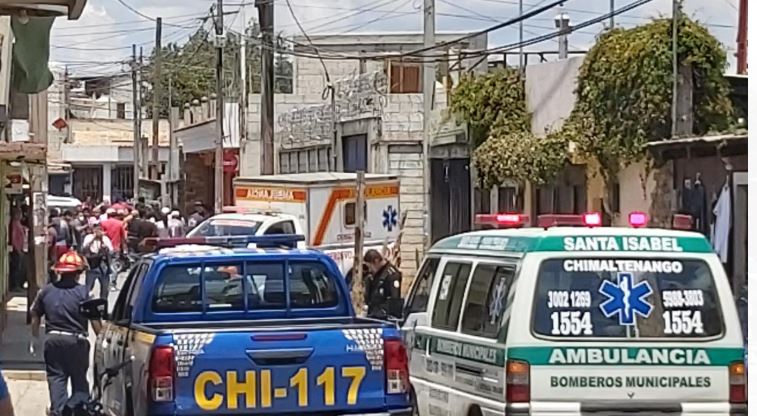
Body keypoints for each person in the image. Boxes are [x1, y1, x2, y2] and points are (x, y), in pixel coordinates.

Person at [31, 250, 103, 416]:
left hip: (52, 340)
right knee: (79, 381)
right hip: (76, 342)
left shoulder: (46, 291)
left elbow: (35, 314)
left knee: (57, 379)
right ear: (78, 273)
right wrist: (102, 339)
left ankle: (58, 411)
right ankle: (78, 409)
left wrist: (35, 337)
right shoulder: (85, 293)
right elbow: (94, 321)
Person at [363, 249, 402, 318]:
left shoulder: (391, 275)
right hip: (373, 316)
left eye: (370, 267)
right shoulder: (373, 275)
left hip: (384, 318)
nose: (369, 270)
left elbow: (394, 300)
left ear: (376, 261)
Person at [81, 223, 113, 300]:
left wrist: (103, 242)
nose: (98, 231)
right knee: (88, 287)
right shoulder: (88, 237)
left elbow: (111, 250)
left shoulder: (105, 238)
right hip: (92, 265)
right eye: (96, 229)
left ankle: (103, 302)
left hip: (103, 266)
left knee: (105, 288)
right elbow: (84, 248)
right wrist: (94, 239)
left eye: (100, 229)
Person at [8, 208, 26, 291]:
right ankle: (15, 286)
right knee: (16, 269)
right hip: (17, 250)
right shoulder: (14, 224)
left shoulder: (18, 223)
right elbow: (14, 238)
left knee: (19, 268)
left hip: (20, 249)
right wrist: (18, 250)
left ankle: (18, 285)